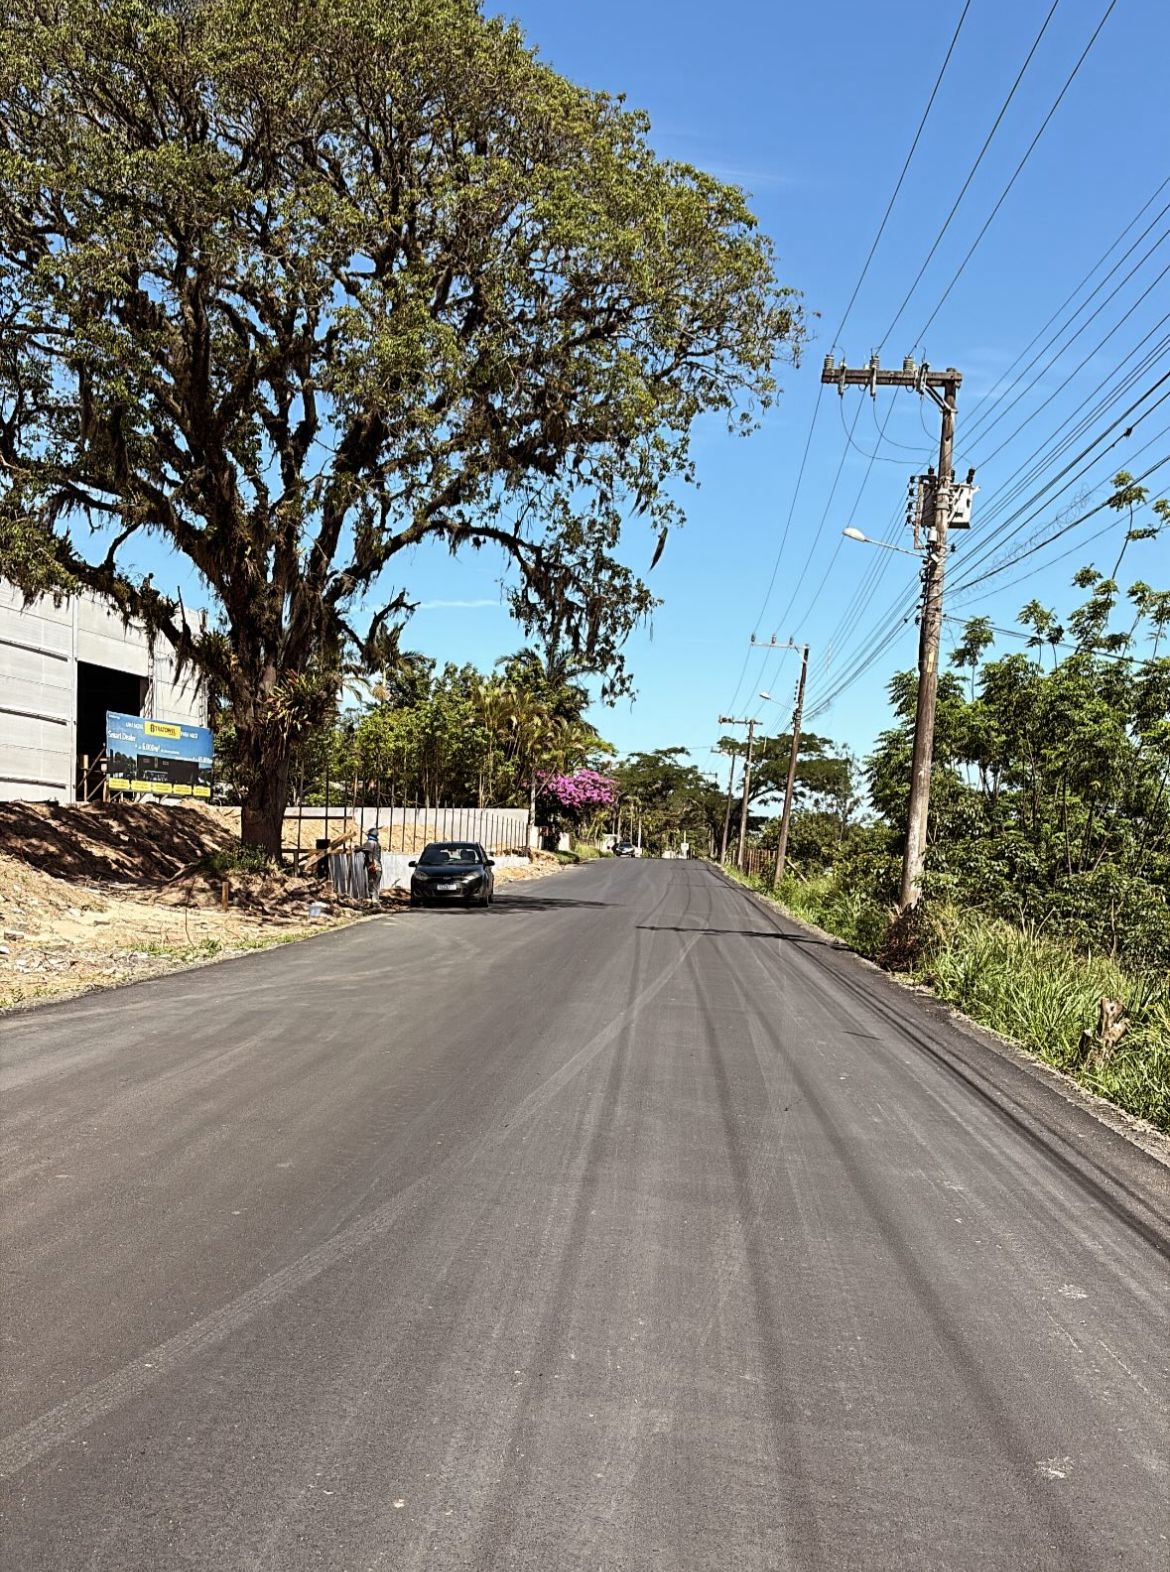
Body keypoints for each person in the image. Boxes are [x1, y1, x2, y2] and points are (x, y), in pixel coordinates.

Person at [363, 828, 383, 906]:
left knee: (372, 886)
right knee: (376, 887)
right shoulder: (377, 844)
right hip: (378, 867)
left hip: (373, 867)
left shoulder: (370, 843)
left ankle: (375, 904)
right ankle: (375, 902)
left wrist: (357, 848)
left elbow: (361, 849)